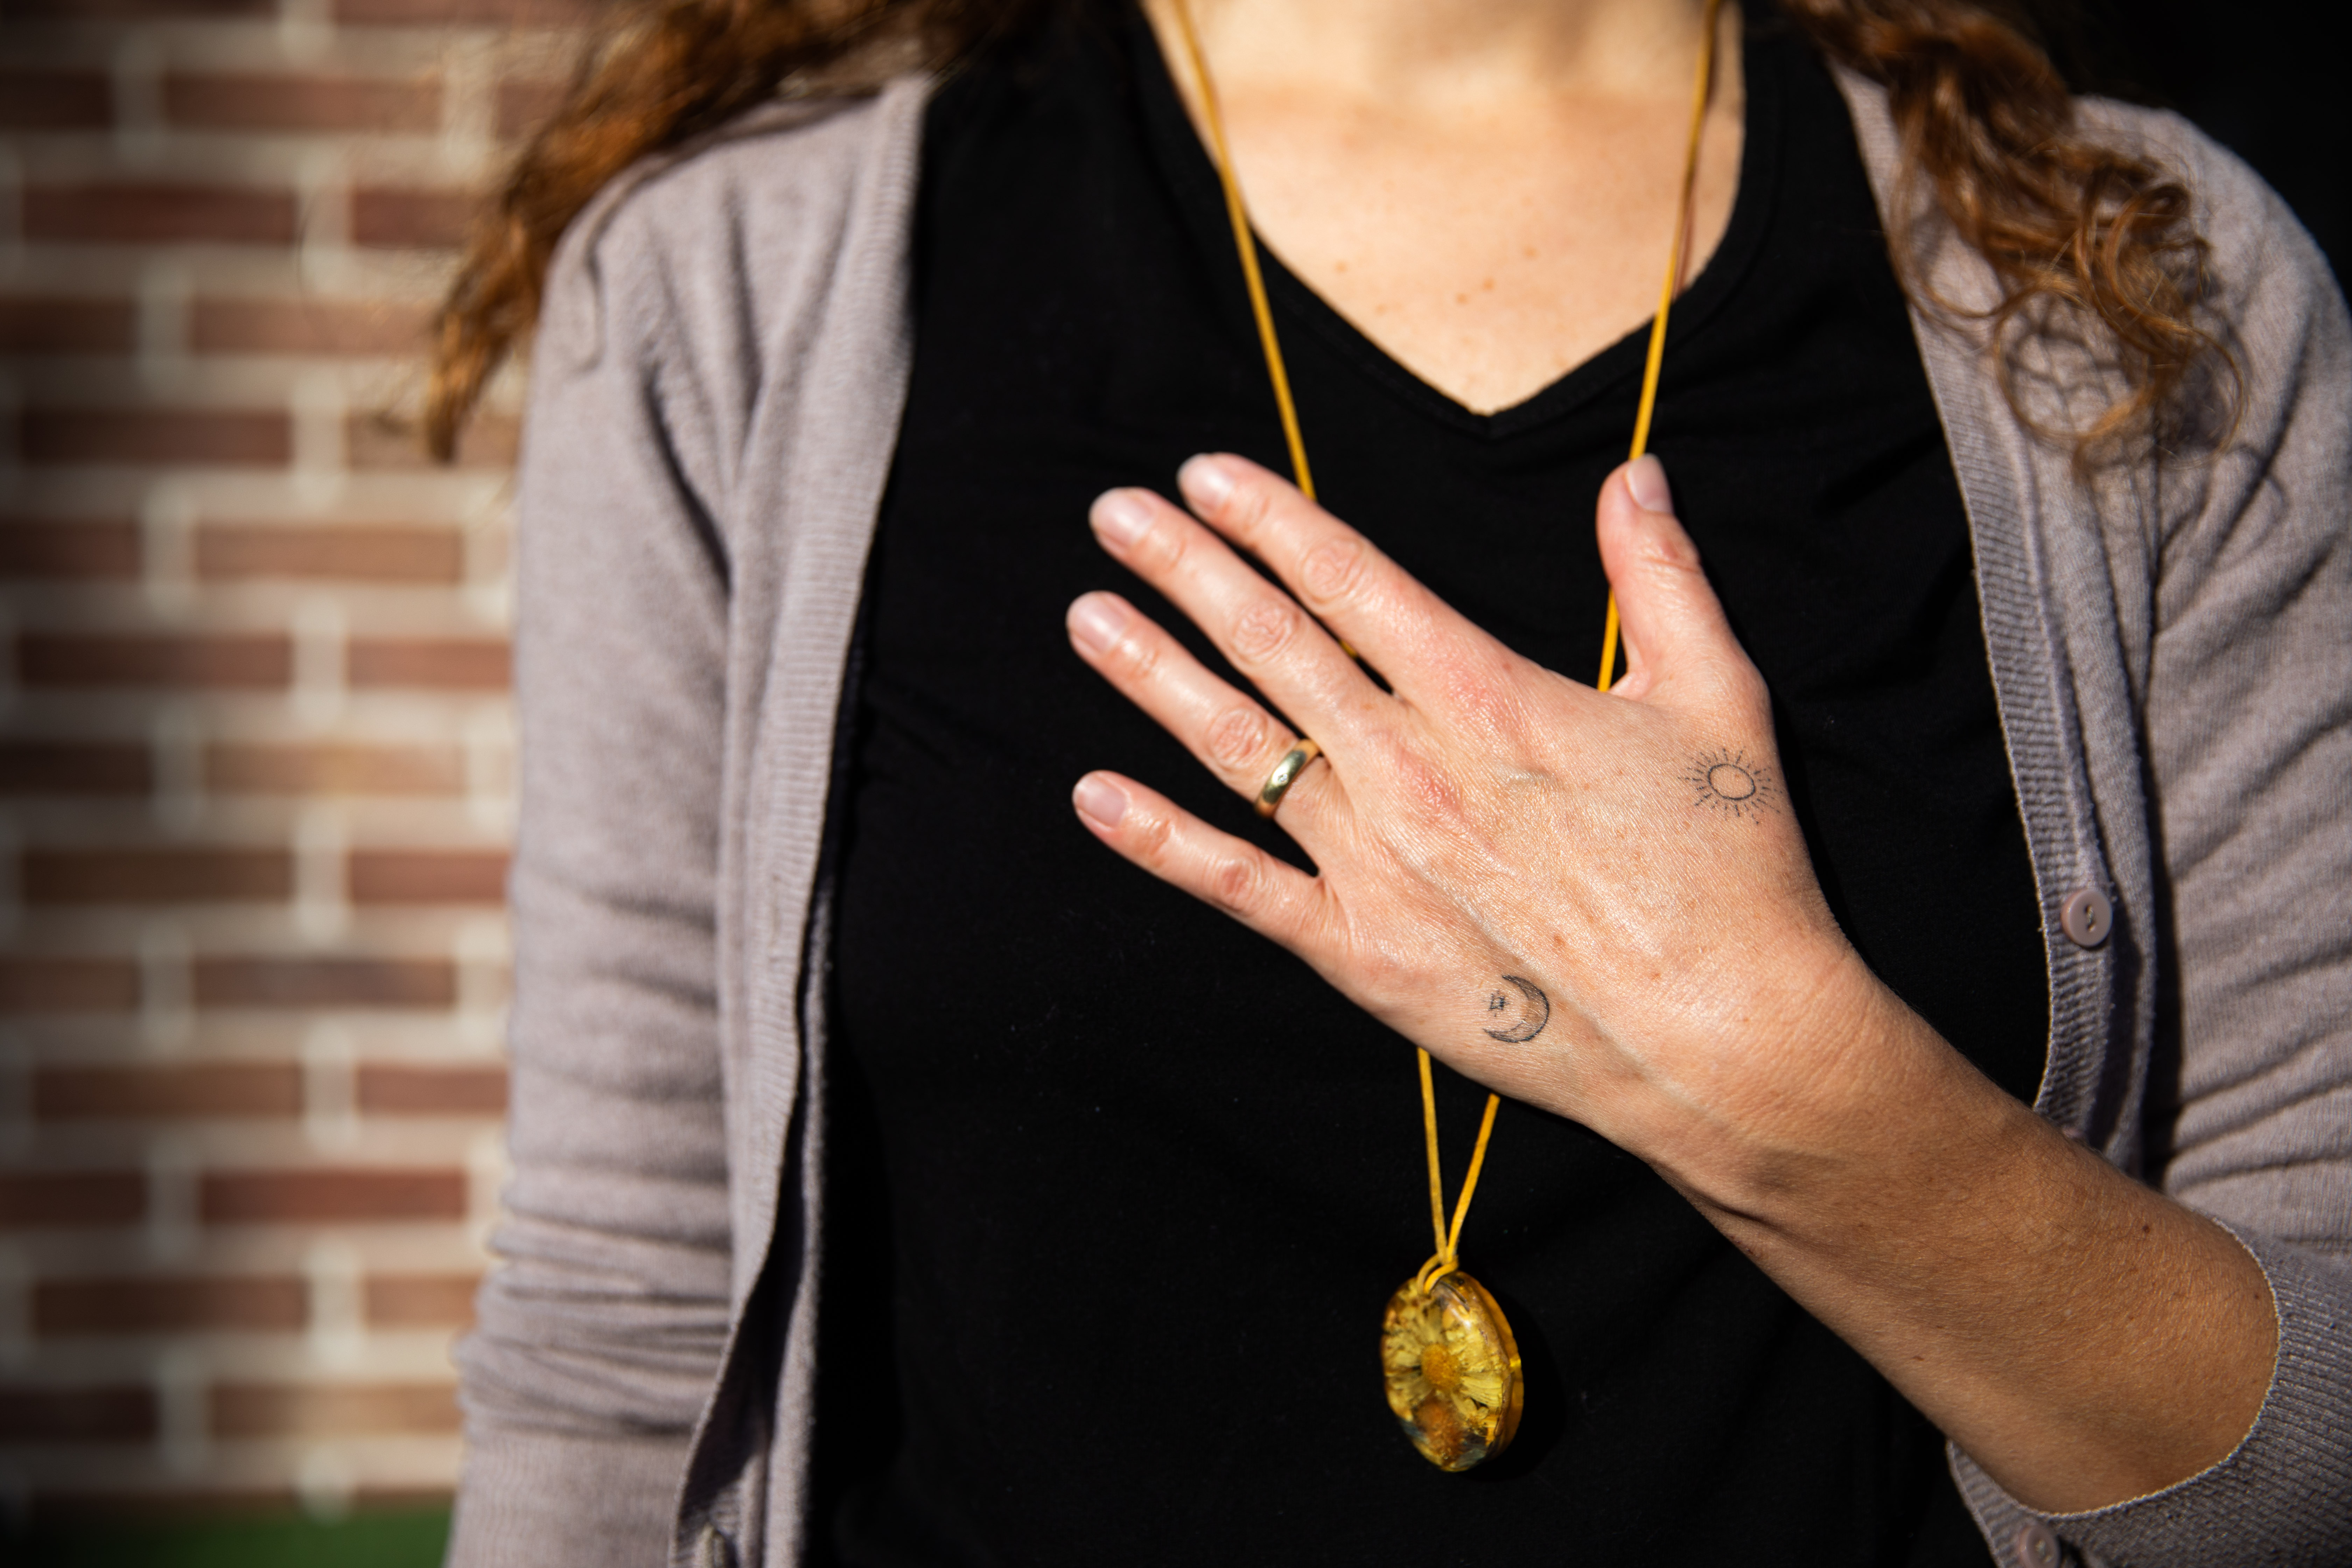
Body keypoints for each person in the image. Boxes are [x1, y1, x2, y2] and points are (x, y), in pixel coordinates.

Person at [428, 0, 2352, 1563]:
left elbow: (2306, 1463)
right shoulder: (734, 290)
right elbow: (623, 1363)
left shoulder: (2131, 282)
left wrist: (1788, 1086)